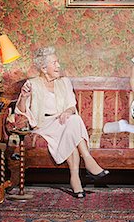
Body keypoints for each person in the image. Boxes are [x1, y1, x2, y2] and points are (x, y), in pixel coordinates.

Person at [16, 47, 109, 198]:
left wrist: (67, 111)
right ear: (44, 68)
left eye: (58, 62)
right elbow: (20, 112)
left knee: (73, 121)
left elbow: (72, 106)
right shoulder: (32, 84)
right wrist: (24, 97)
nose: (59, 65)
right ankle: (88, 160)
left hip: (62, 121)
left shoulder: (64, 82)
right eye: (55, 63)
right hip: (44, 125)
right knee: (72, 125)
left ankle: (76, 178)